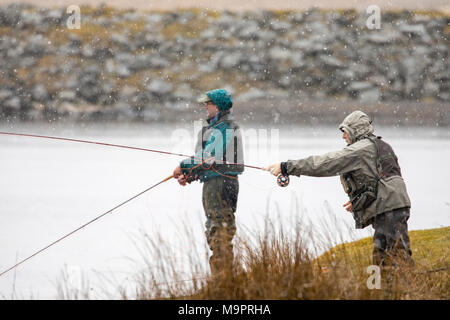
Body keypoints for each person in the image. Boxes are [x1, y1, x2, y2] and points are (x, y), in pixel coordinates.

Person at [266, 110, 414, 267]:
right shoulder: (381, 145)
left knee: (396, 254)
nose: (343, 136)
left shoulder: (359, 150)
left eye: (345, 132)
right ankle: (385, 289)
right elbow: (384, 178)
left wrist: (286, 167)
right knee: (383, 255)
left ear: (355, 130)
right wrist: (363, 200)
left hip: (388, 206)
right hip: (393, 204)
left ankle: (404, 288)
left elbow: (324, 164)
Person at [173, 89, 244, 276]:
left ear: (218, 106)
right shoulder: (216, 127)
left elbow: (210, 157)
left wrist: (183, 166)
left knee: (219, 231)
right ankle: (223, 279)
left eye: (208, 103)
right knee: (216, 229)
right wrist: (191, 175)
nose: (205, 106)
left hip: (221, 185)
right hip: (215, 183)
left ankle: (223, 281)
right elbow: (208, 162)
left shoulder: (225, 127)